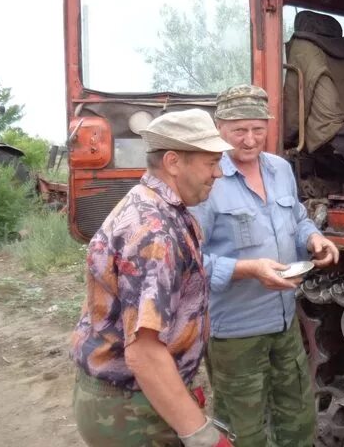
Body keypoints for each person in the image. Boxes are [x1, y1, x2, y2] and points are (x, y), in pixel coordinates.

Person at [70, 108, 234, 447]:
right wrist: (200, 434)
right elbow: (144, 352)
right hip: (131, 407)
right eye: (210, 162)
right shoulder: (154, 231)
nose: (218, 173)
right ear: (174, 162)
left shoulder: (158, 207)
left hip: (134, 396)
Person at [191, 84, 340, 447]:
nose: (249, 140)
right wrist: (249, 269)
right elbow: (187, 262)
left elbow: (299, 217)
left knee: (298, 420)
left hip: (285, 323)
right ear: (219, 127)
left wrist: (313, 238)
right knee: (244, 430)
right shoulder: (206, 180)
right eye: (239, 130)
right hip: (235, 334)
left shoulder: (279, 169)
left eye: (258, 129)